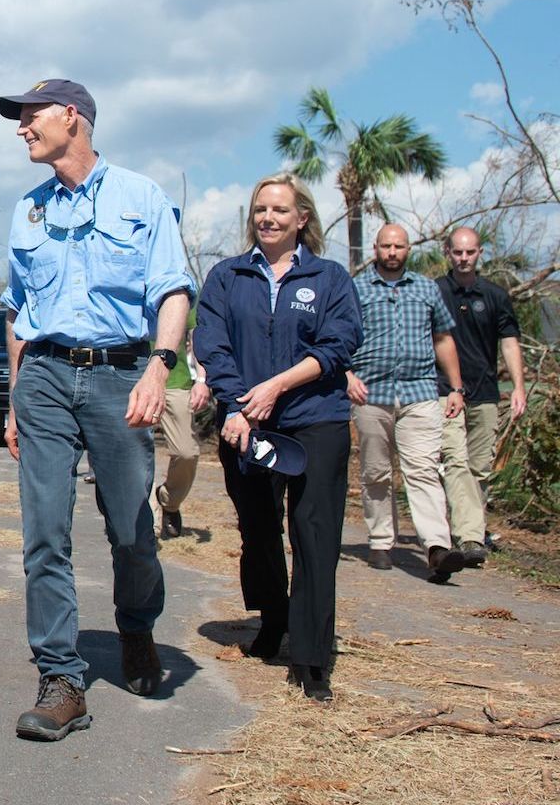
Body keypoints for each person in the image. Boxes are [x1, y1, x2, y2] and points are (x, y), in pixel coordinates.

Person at [0, 78, 192, 742]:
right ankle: (61, 678)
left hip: (121, 373)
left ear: (71, 116)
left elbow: (172, 293)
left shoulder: (141, 197)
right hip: (46, 377)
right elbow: (18, 315)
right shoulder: (27, 210)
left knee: (132, 531)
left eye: (31, 116)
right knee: (44, 532)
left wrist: (159, 369)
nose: (22, 127)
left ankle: (136, 629)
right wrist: (15, 400)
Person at [195, 174, 361, 702]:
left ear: (301, 219)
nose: (268, 218)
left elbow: (339, 345)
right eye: (260, 209)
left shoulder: (330, 278)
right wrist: (241, 406)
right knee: (259, 531)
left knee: (313, 535)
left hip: (316, 418)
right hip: (248, 424)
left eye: (280, 210)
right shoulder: (226, 276)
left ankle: (311, 657)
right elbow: (212, 345)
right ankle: (273, 616)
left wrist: (277, 387)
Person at [346, 224, 474, 578]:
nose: (392, 252)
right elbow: (339, 339)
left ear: (409, 249)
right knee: (376, 471)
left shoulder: (426, 288)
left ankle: (437, 548)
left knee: (423, 470)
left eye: (398, 246)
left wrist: (455, 387)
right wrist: (347, 376)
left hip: (420, 392)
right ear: (375, 248)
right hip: (371, 393)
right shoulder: (356, 290)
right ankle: (381, 541)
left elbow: (443, 339)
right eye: (386, 246)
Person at [435, 226, 528, 551]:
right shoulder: (435, 292)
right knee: (455, 461)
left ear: (479, 254)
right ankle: (470, 538)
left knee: (479, 468)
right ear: (447, 252)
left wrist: (518, 386)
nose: (463, 258)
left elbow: (509, 343)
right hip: (444, 391)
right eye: (457, 252)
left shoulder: (495, 296)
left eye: (469, 252)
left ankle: (467, 528)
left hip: (486, 392)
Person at [151, 312, 211, 539]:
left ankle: (168, 501)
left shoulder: (182, 289)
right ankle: (148, 522)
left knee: (187, 452)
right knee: (136, 454)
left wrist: (202, 381)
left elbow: (198, 339)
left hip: (176, 383)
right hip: (134, 381)